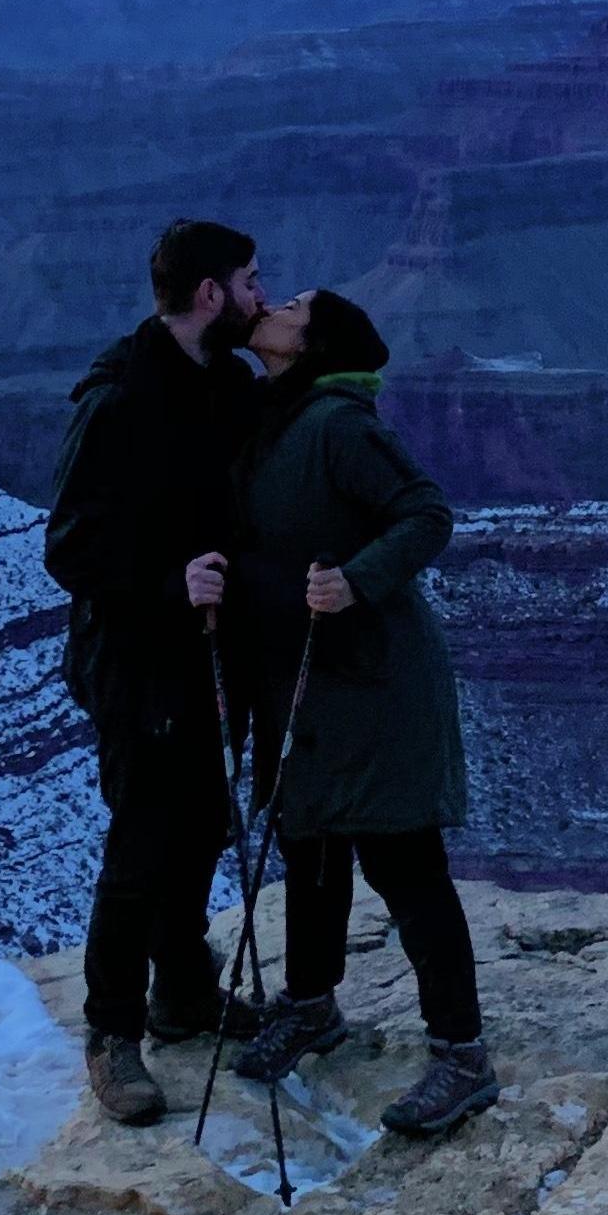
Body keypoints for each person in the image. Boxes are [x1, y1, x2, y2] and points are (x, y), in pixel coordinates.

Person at [225, 288, 495, 1137]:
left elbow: (425, 513)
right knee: (307, 846)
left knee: (405, 867)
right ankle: (312, 1007)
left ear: (313, 344)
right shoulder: (276, 414)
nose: (271, 305)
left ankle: (461, 1054)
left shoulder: (339, 425)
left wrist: (355, 580)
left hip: (376, 685)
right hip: (302, 683)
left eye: (292, 304)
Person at [42, 215, 266, 1124]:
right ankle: (112, 1034)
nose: (259, 295)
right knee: (142, 842)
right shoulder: (123, 397)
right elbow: (70, 547)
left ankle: (183, 991)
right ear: (209, 293)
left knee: (204, 826)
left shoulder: (228, 387)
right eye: (250, 281)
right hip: (138, 660)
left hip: (219, 656)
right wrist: (170, 583)